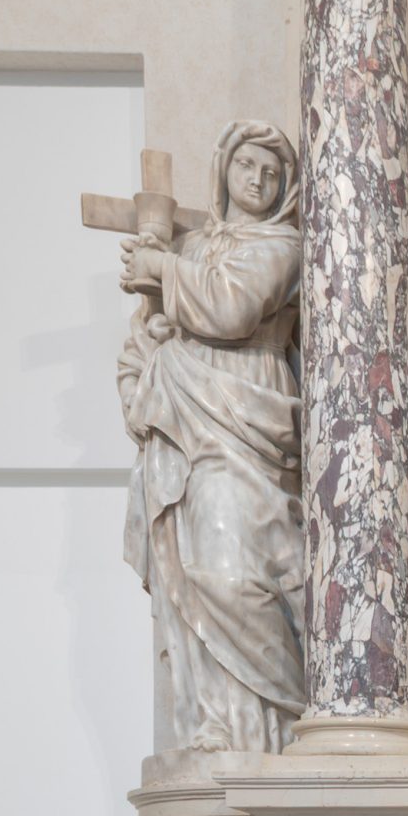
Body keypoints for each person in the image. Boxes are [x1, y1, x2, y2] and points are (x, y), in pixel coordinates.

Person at [117, 120, 305, 754]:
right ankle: (217, 722)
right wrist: (142, 383)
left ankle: (273, 719)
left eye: (271, 173)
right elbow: (144, 339)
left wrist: (161, 267)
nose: (257, 179)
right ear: (224, 169)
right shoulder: (195, 246)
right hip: (185, 418)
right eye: (247, 165)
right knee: (190, 571)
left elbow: (231, 309)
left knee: (234, 574)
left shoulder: (281, 247)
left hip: (246, 416)